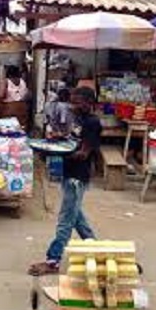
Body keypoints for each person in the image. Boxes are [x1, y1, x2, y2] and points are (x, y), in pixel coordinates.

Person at [29, 87, 102, 276]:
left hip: (77, 177)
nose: (73, 106)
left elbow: (83, 153)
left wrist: (54, 151)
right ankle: (95, 250)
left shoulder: (93, 123)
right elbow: (72, 138)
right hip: (69, 174)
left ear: (89, 103)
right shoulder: (77, 119)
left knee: (65, 220)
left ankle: (53, 261)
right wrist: (58, 138)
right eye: (72, 102)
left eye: (77, 103)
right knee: (76, 216)